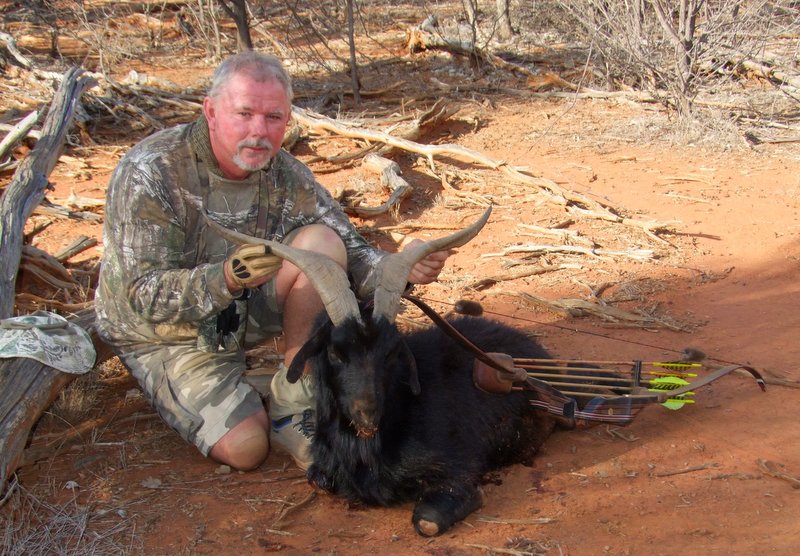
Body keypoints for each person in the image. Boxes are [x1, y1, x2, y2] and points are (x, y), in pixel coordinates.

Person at [95, 51, 451, 472]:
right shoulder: (151, 171)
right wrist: (224, 278)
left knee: (322, 244)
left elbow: (352, 253)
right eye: (244, 114)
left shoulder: (285, 173)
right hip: (166, 334)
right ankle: (238, 391)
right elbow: (142, 296)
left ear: (287, 121)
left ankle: (291, 397)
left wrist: (397, 268)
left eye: (273, 117)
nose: (258, 132)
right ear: (210, 111)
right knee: (246, 448)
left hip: (240, 313)